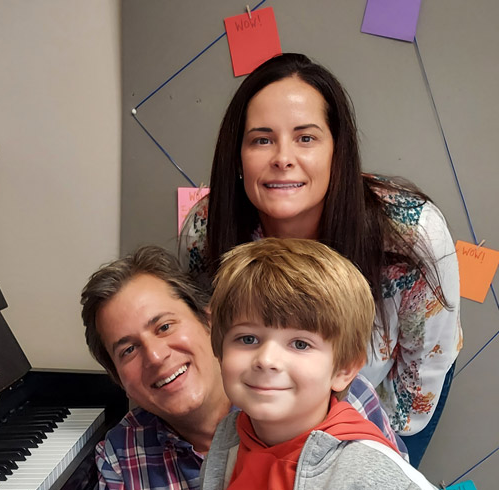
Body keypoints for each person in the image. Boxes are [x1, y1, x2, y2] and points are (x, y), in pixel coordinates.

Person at [179, 53, 462, 466]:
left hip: (383, 398)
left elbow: (424, 367)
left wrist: (378, 460)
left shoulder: (412, 234)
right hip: (265, 404)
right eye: (261, 139)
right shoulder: (207, 228)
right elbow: (212, 345)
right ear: (237, 156)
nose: (282, 157)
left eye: (306, 138)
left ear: (337, 151)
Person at [80, 245, 405, 490]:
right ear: (117, 377)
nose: (156, 356)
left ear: (209, 321)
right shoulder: (120, 452)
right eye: (127, 350)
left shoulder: (339, 398)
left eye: (165, 326)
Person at [196, 237, 466, 490]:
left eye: (300, 344)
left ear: (343, 369)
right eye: (247, 338)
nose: (266, 359)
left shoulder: (390, 489)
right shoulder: (230, 441)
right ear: (220, 350)